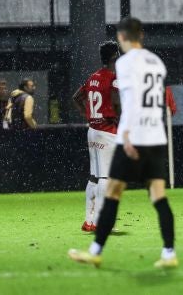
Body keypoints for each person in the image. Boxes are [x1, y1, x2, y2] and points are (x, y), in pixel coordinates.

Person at [68, 17, 176, 269]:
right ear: (142, 35)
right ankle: (169, 253)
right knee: (158, 195)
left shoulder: (125, 64)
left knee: (112, 189)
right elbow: (156, 97)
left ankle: (95, 251)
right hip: (155, 134)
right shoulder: (155, 62)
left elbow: (123, 103)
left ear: (122, 37)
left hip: (129, 134)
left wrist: (125, 136)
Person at [71, 41, 121, 233]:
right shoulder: (113, 78)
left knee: (94, 176)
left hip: (93, 130)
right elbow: (116, 103)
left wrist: (89, 115)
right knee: (106, 176)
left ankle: (89, 221)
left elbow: (76, 97)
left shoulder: (93, 77)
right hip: (107, 131)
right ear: (115, 56)